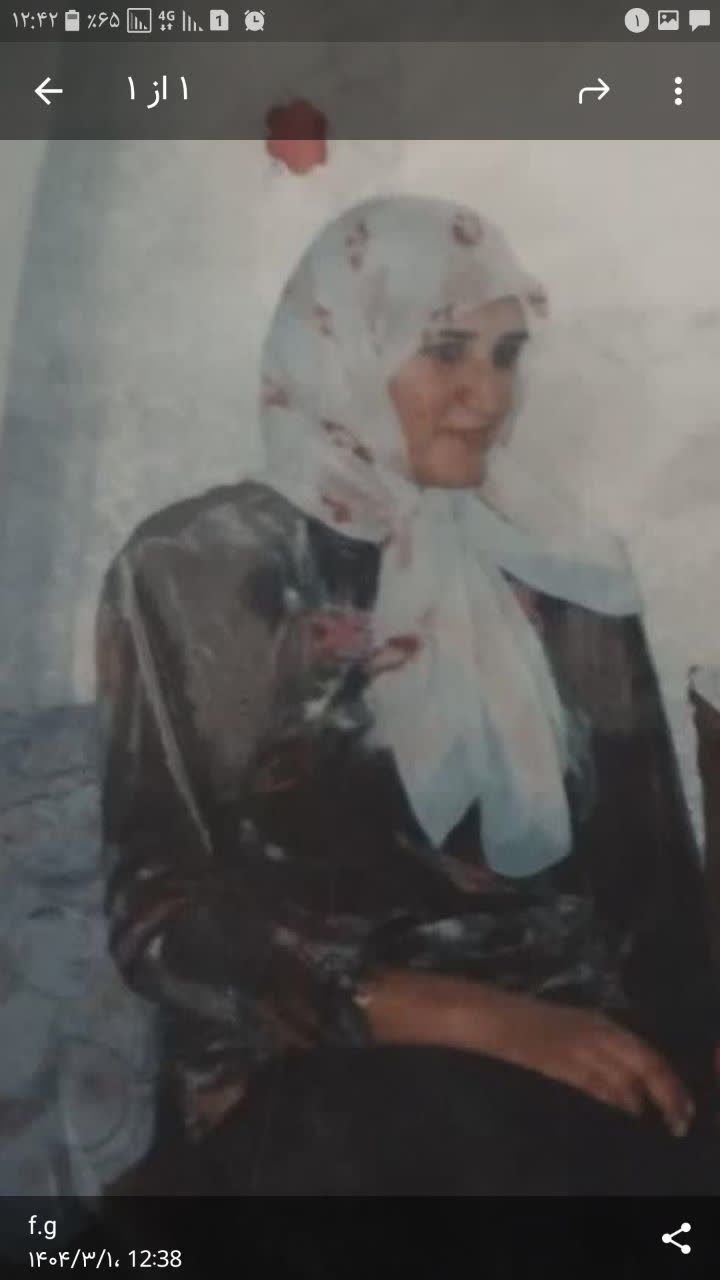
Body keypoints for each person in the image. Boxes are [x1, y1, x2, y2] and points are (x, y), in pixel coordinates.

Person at [96, 195, 720, 1196]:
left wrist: (688, 1062)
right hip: (321, 1075)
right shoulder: (197, 567)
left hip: (581, 1065)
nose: (489, 396)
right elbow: (161, 912)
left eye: (507, 355)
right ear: (339, 349)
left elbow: (654, 891)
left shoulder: (568, 564)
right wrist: (472, 1017)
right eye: (446, 352)